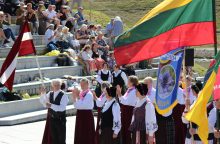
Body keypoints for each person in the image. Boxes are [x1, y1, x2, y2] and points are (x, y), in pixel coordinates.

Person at [40, 79, 69, 144]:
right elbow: (44, 103)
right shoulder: (50, 93)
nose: (56, 86)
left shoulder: (63, 95)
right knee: (54, 139)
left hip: (60, 120)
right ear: (52, 86)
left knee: (61, 139)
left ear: (60, 85)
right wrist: (42, 94)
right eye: (55, 85)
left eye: (58, 85)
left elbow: (62, 108)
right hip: (52, 119)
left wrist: (51, 105)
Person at [72, 78, 95, 144]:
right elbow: (77, 106)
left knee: (86, 133)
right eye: (81, 84)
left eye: (83, 84)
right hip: (80, 115)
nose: (81, 86)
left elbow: (82, 105)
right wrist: (75, 98)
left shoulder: (89, 94)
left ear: (87, 84)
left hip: (86, 115)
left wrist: (76, 97)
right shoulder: (82, 93)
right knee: (80, 133)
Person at [116, 75, 138, 144]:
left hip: (129, 111)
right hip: (125, 111)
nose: (127, 82)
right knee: (124, 129)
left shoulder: (134, 90)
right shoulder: (129, 90)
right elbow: (122, 100)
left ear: (132, 82)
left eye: (128, 81)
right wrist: (120, 95)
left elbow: (126, 102)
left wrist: (119, 94)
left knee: (128, 129)